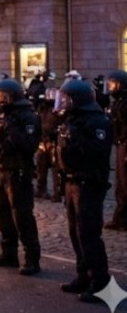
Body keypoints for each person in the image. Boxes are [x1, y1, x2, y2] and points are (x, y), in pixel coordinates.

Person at [55, 78, 114, 303]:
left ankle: (100, 283)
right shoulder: (72, 120)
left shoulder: (98, 122)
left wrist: (76, 137)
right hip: (71, 181)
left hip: (88, 183)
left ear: (78, 100)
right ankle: (83, 275)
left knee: (89, 234)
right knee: (75, 232)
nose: (63, 103)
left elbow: (97, 152)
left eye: (67, 99)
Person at [0, 77, 41, 276]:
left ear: (13, 97)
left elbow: (28, 146)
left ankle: (32, 259)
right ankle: (9, 253)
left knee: (22, 216)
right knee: (3, 213)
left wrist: (11, 127)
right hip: (0, 171)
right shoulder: (0, 115)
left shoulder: (27, 117)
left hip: (18, 172)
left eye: (3, 96)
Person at [107, 69, 127, 231]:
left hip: (126, 144)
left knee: (125, 183)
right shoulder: (118, 101)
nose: (110, 86)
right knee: (120, 183)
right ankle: (120, 218)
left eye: (113, 83)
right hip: (120, 144)